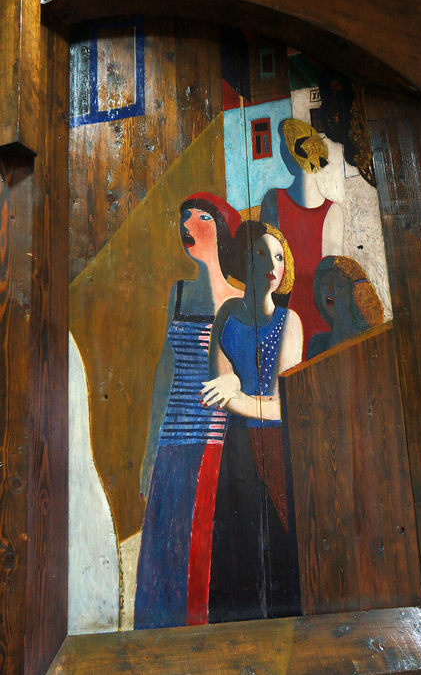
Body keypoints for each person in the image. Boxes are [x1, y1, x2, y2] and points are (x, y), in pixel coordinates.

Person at [134, 192, 242, 630]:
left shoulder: (240, 299)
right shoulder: (177, 294)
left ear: (221, 229)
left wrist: (236, 383)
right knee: (163, 551)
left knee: (203, 550)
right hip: (173, 443)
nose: (187, 226)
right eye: (183, 218)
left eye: (200, 218)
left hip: (217, 443)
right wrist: (149, 454)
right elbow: (166, 373)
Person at [201, 220, 303, 623]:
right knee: (237, 550)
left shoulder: (289, 322)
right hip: (235, 448)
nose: (271, 265)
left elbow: (281, 407)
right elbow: (218, 384)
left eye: (278, 256)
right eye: (260, 254)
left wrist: (236, 393)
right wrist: (230, 387)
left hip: (274, 449)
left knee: (277, 551)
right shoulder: (226, 314)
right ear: (243, 260)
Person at [260, 118, 343, 355]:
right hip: (281, 310)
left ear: (290, 155)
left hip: (317, 316)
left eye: (283, 147)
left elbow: (332, 276)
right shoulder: (274, 200)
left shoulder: (332, 211)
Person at [308, 255, 384, 359]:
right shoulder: (317, 345)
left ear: (356, 293)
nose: (329, 292)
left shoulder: (370, 340)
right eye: (324, 284)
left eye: (339, 285)